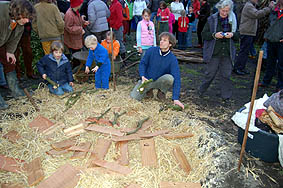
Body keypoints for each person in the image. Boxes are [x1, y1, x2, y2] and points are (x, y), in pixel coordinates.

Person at [130, 32, 184, 109]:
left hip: (160, 80)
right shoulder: (151, 50)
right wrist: (142, 76)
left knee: (170, 78)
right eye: (161, 40)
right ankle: (149, 90)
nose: (161, 42)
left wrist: (175, 98)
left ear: (170, 44)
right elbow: (143, 64)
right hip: (147, 80)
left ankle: (161, 92)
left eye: (164, 40)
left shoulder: (172, 59)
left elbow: (177, 78)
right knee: (134, 97)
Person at [198, 0, 239, 101]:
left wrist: (232, 35)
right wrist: (214, 35)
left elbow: (238, 36)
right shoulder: (211, 19)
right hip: (214, 52)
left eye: (227, 11)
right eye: (223, 10)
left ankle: (226, 96)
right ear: (219, 9)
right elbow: (204, 34)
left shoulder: (233, 20)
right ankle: (201, 91)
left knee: (226, 75)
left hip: (227, 53)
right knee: (210, 74)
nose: (225, 13)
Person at [0, 0, 35, 110]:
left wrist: (10, 52)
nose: (28, 21)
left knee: (10, 63)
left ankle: (15, 90)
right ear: (20, 13)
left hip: (2, 43)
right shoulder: (2, 12)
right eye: (27, 17)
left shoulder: (20, 23)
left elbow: (15, 37)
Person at [233, 0, 274, 75]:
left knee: (245, 51)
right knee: (243, 51)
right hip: (246, 32)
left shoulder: (250, 6)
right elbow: (257, 14)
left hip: (248, 32)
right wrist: (268, 8)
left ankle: (241, 67)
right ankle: (238, 68)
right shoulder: (249, 6)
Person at [259, 0, 283, 92]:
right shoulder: (274, 12)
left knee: (281, 65)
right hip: (271, 40)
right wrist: (267, 36)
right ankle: (266, 81)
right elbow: (269, 25)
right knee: (270, 63)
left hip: (281, 42)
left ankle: (280, 85)